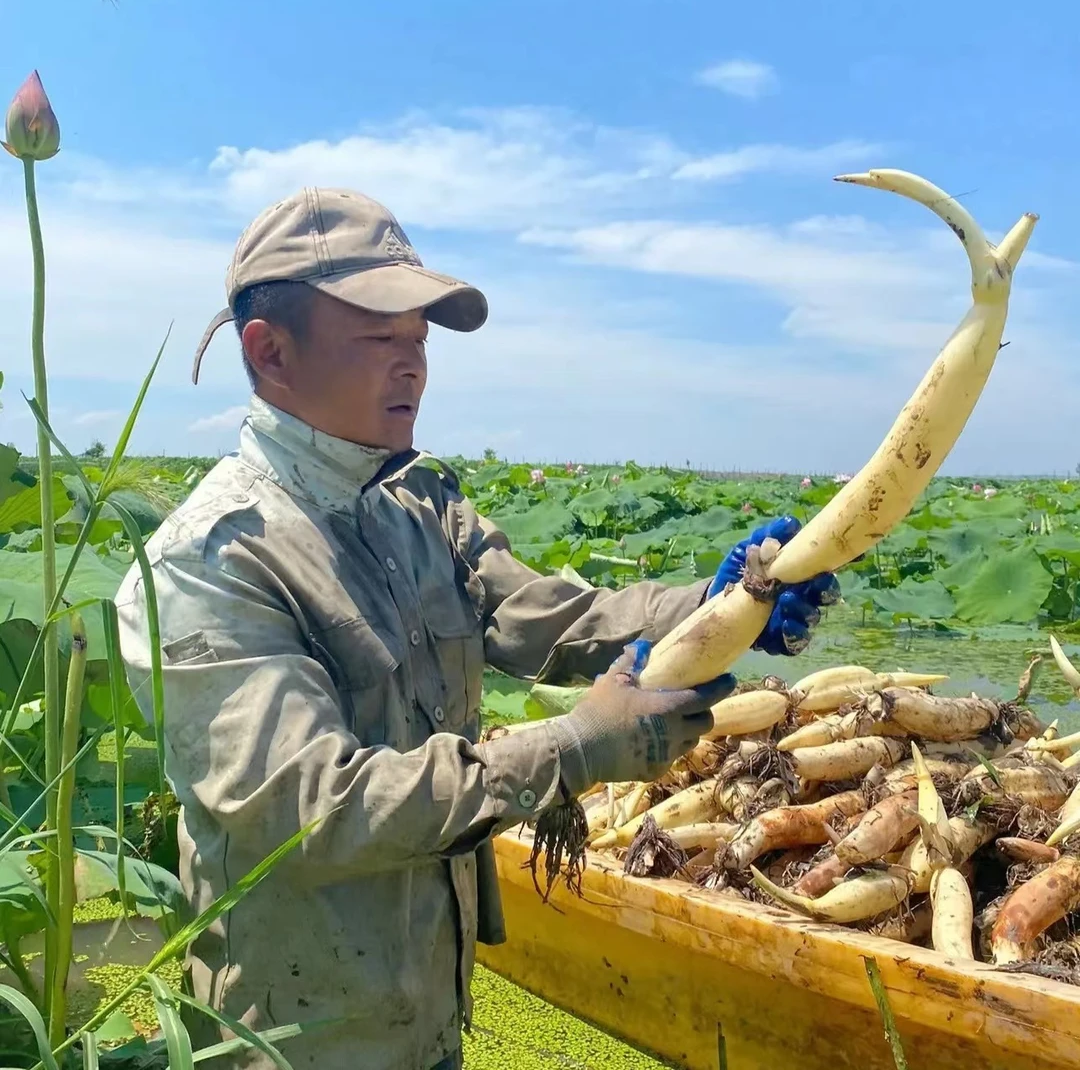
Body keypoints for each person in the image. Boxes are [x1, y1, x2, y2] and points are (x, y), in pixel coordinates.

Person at [115, 187, 840, 1070]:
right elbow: (315, 810)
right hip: (297, 1038)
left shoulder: (417, 508)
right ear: (269, 352)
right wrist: (573, 748)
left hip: (427, 1006)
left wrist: (725, 602)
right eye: (379, 339)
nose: (412, 366)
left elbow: (547, 618)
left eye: (419, 341)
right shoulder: (212, 563)